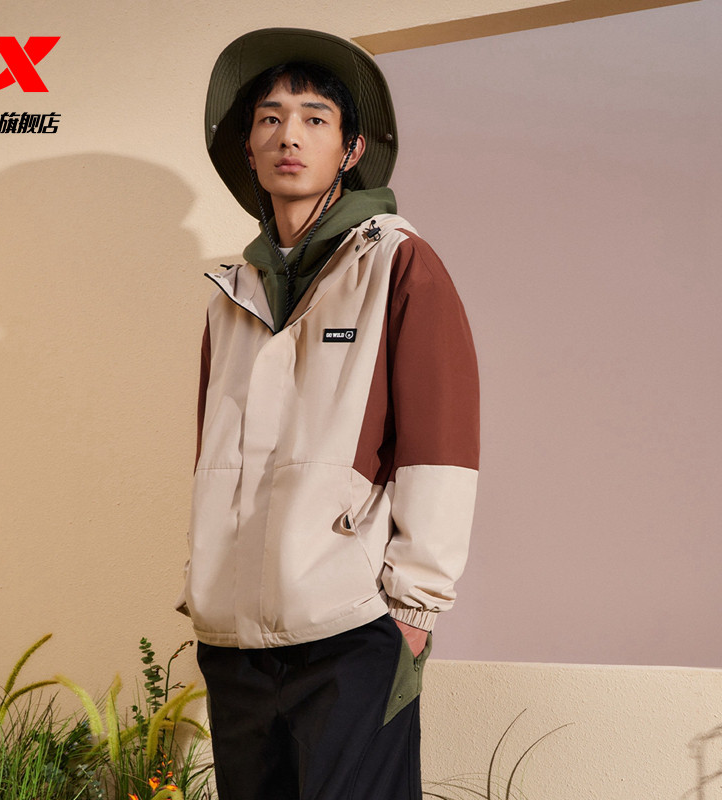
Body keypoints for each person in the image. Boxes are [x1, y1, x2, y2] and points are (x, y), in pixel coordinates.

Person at [175, 27, 479, 800]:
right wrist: (205, 584)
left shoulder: (397, 262)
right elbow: (215, 456)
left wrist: (413, 610)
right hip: (235, 641)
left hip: (352, 630)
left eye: (315, 119)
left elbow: (440, 444)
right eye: (270, 119)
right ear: (248, 148)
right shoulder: (231, 295)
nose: (290, 136)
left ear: (350, 150)